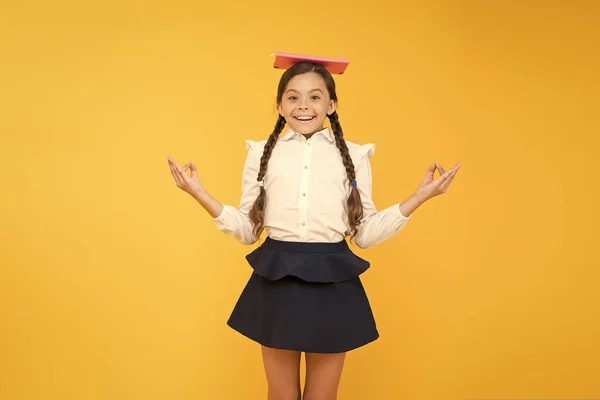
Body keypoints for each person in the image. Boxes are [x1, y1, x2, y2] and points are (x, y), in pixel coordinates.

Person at [167, 55, 461, 400]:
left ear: (331, 104)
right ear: (279, 105)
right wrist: (200, 194)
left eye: (315, 96)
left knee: (322, 396)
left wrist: (418, 197)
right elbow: (248, 230)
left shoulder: (353, 155)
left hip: (332, 278)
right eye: (293, 97)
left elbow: (364, 234)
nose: (303, 106)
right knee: (281, 395)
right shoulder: (262, 153)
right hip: (276, 277)